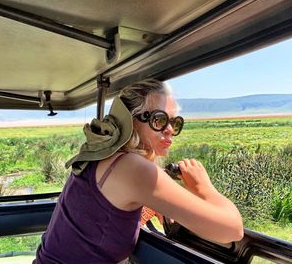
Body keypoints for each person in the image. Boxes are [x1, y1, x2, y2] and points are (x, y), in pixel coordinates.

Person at [34, 79, 243, 264]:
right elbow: (231, 230)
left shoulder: (100, 154)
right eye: (159, 119)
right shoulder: (134, 169)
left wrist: (154, 202)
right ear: (131, 120)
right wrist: (203, 187)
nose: (169, 129)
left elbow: (100, 217)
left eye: (175, 122)